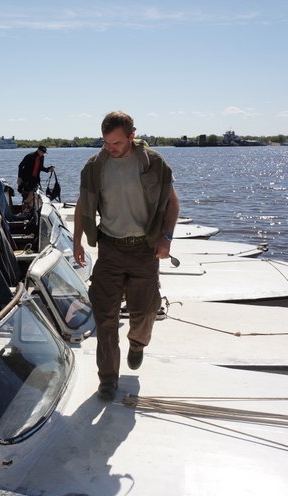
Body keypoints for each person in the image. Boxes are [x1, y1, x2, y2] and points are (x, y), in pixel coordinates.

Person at [73, 111, 180, 401]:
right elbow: (83, 204)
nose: (111, 148)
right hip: (110, 249)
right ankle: (108, 379)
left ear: (132, 136)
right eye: (106, 142)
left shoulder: (154, 163)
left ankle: (137, 342)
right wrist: (77, 241)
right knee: (104, 316)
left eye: (117, 143)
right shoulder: (94, 167)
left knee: (145, 311)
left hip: (144, 250)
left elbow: (172, 203)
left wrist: (167, 237)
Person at [17, 145, 54, 212]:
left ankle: (31, 211)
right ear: (38, 150)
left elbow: (41, 168)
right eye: (42, 152)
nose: (43, 153)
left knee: (36, 195)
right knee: (26, 195)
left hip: (35, 179)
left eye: (44, 152)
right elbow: (20, 166)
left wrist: (48, 169)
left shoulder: (42, 158)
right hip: (26, 179)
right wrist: (19, 177)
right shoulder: (29, 156)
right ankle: (24, 212)